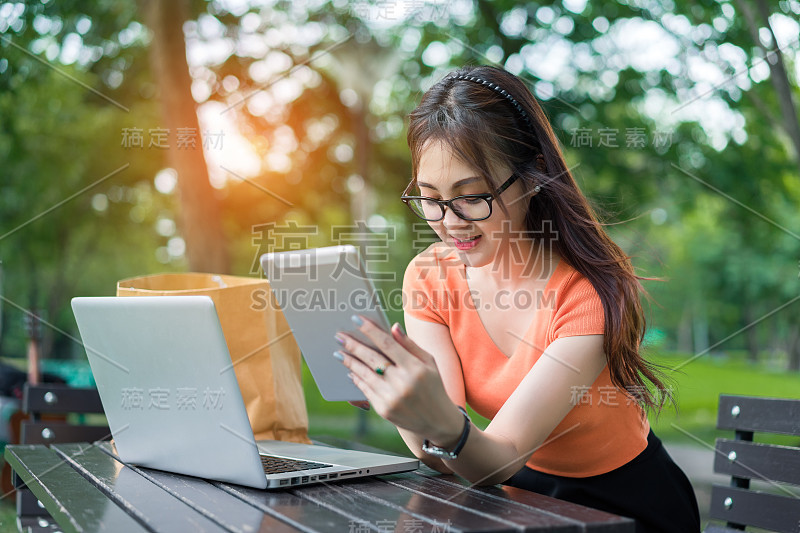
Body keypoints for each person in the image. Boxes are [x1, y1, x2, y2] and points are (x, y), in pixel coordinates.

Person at [333, 64, 700, 532]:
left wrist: (439, 422)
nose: (449, 222)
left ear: (532, 178)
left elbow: (496, 457)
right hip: (519, 499)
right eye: (430, 198)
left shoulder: (583, 295)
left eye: (472, 196)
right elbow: (446, 454)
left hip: (624, 506)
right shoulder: (429, 277)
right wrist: (397, 397)